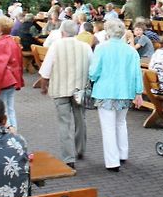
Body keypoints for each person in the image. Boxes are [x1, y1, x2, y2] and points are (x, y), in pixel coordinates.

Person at [89, 20, 143, 172]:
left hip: (105, 91)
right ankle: (122, 153)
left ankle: (112, 161)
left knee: (108, 127)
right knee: (121, 122)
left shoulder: (101, 48)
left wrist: (92, 78)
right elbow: (136, 74)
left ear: (107, 32)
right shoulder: (131, 51)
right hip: (125, 91)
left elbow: (94, 72)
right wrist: (138, 92)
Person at [39, 20, 93, 168]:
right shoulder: (86, 47)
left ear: (62, 32)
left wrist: (44, 87)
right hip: (79, 90)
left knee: (64, 123)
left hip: (60, 89)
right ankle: (80, 149)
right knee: (80, 119)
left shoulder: (56, 45)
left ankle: (69, 158)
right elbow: (92, 68)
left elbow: (46, 70)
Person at [0, 16, 24, 130]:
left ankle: (7, 132)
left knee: (2, 109)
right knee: (10, 107)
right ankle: (14, 132)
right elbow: (19, 63)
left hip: (3, 80)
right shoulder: (13, 42)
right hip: (13, 79)